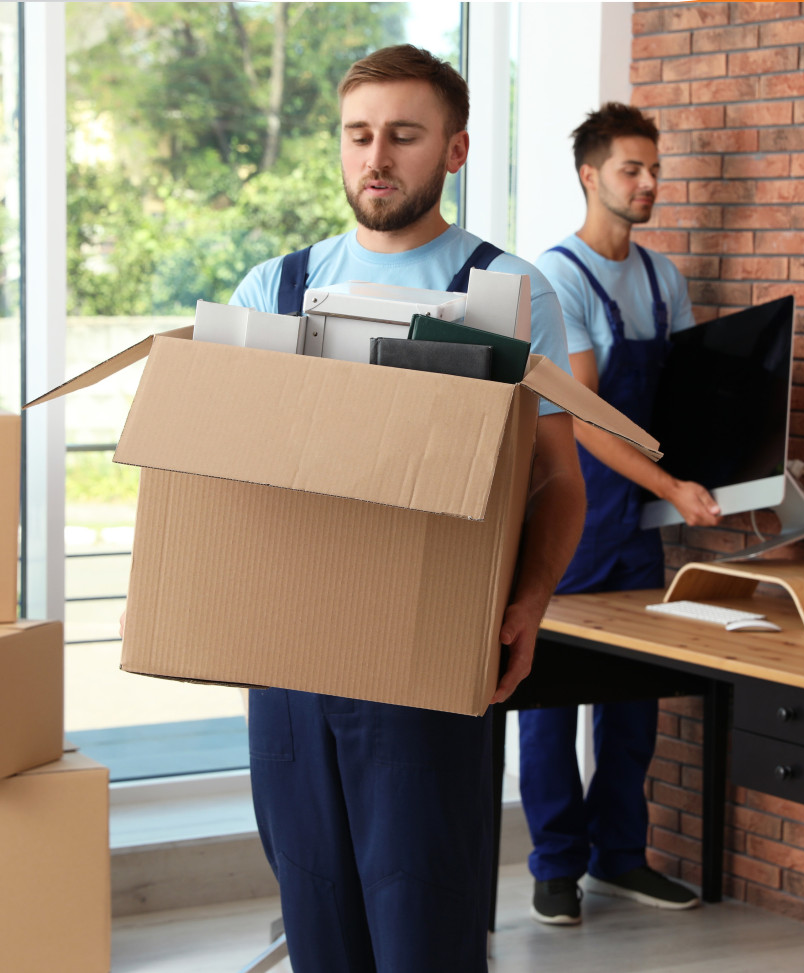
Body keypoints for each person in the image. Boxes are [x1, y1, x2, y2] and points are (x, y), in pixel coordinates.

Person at [226, 45, 586, 973]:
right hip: (291, 656)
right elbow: (222, 470)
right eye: (358, 135)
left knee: (424, 920)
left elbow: (556, 479)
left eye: (403, 135)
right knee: (317, 918)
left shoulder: (505, 295)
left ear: (454, 151)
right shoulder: (274, 289)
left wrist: (531, 601)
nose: (375, 156)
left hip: (430, 649)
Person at [518, 102, 721, 926]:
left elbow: (683, 401)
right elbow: (585, 418)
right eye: (631, 169)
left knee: (632, 703)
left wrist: (738, 474)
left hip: (636, 531)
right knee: (548, 704)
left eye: (654, 169)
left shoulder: (661, 277)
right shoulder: (554, 276)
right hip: (567, 519)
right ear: (589, 175)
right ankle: (555, 867)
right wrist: (674, 490)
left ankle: (621, 856)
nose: (647, 184)